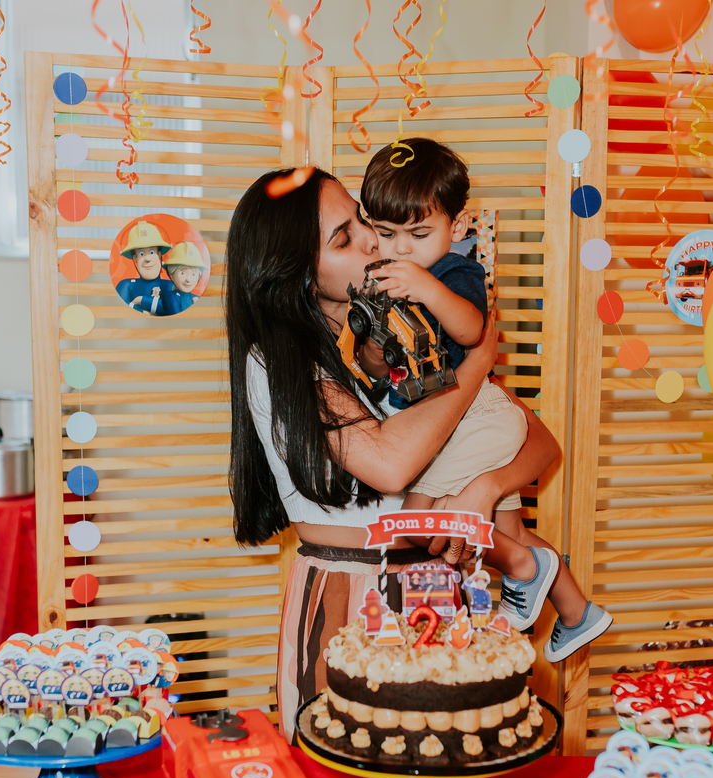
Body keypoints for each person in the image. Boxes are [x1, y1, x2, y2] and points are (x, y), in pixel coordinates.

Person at [227, 167, 566, 740]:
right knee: (353, 765)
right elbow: (389, 463)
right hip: (350, 590)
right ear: (299, 275)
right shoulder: (276, 363)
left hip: (431, 584)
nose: (370, 240)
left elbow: (541, 444)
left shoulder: (382, 354)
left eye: (361, 219)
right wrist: (477, 362)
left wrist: (481, 492)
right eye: (343, 237)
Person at [361, 138, 611, 656]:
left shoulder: (455, 273)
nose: (401, 249)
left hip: (474, 418)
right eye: (385, 234)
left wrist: (427, 290)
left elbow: (473, 330)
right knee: (509, 528)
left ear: (456, 228)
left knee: (416, 519)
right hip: (468, 421)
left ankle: (524, 570)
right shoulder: (388, 277)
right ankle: (576, 610)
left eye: (419, 233)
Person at [116, 221, 173, 315]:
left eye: (151, 252)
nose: (147, 259)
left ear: (159, 254)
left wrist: (141, 300)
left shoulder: (170, 286)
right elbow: (119, 311)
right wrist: (143, 312)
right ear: (135, 258)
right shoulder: (126, 285)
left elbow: (173, 309)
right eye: (141, 254)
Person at [160, 240, 206, 316]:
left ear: (199, 276)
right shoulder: (170, 297)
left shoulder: (196, 298)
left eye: (193, 274)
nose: (188, 279)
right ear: (171, 273)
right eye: (183, 273)